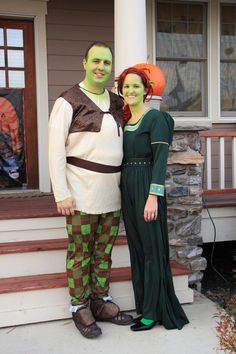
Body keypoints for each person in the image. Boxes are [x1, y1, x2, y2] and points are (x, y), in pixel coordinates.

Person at [48, 41, 133, 339]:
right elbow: (55, 150)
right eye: (95, 60)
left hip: (112, 191)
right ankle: (79, 305)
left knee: (103, 251)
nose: (101, 67)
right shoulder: (68, 101)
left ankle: (100, 300)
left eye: (106, 63)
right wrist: (61, 193)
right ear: (84, 62)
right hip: (81, 190)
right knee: (80, 252)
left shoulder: (117, 102)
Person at [117, 66, 189, 332]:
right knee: (137, 250)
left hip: (147, 184)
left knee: (151, 251)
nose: (131, 91)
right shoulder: (124, 121)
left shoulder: (155, 119)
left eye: (136, 86)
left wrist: (153, 197)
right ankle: (144, 306)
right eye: (126, 87)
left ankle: (153, 312)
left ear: (146, 90)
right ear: (121, 91)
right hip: (128, 186)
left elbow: (160, 162)